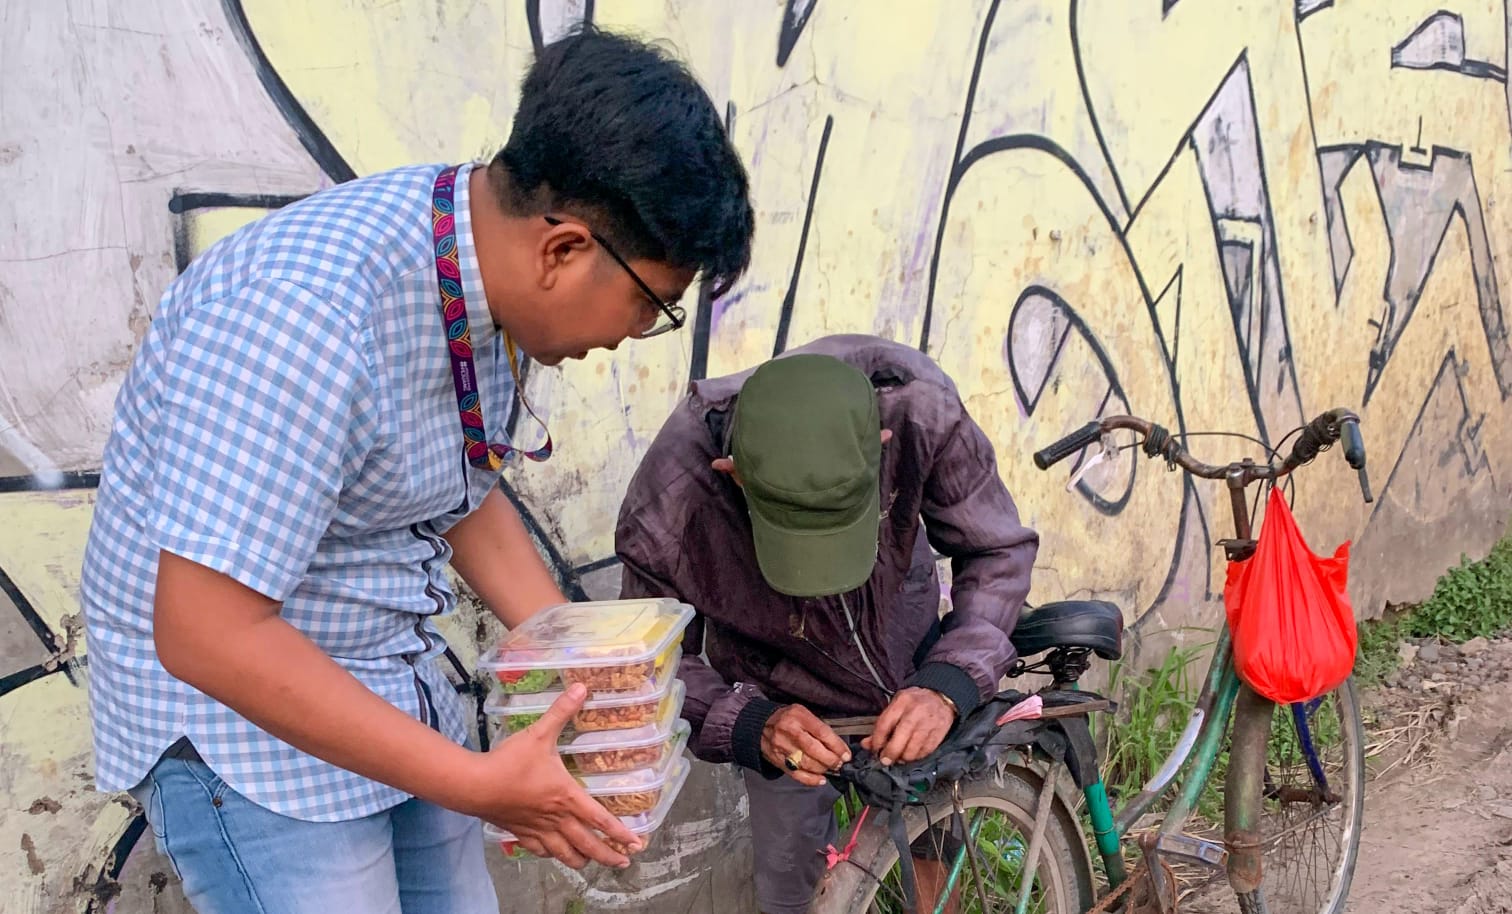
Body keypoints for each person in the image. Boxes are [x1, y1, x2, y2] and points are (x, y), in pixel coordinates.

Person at [79, 24, 753, 914]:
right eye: (651, 305)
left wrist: (591, 677)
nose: (637, 334)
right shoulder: (303, 313)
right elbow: (208, 632)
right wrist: (480, 786)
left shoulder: (467, 267)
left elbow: (452, 489)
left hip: (389, 676)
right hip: (244, 730)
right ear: (563, 250)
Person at [614, 334, 1038, 914]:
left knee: (936, 849)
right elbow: (650, 662)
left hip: (911, 670)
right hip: (783, 704)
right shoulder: (671, 497)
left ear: (881, 447)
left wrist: (949, 680)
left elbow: (997, 551)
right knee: (792, 889)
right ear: (732, 473)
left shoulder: (915, 409)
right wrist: (752, 724)